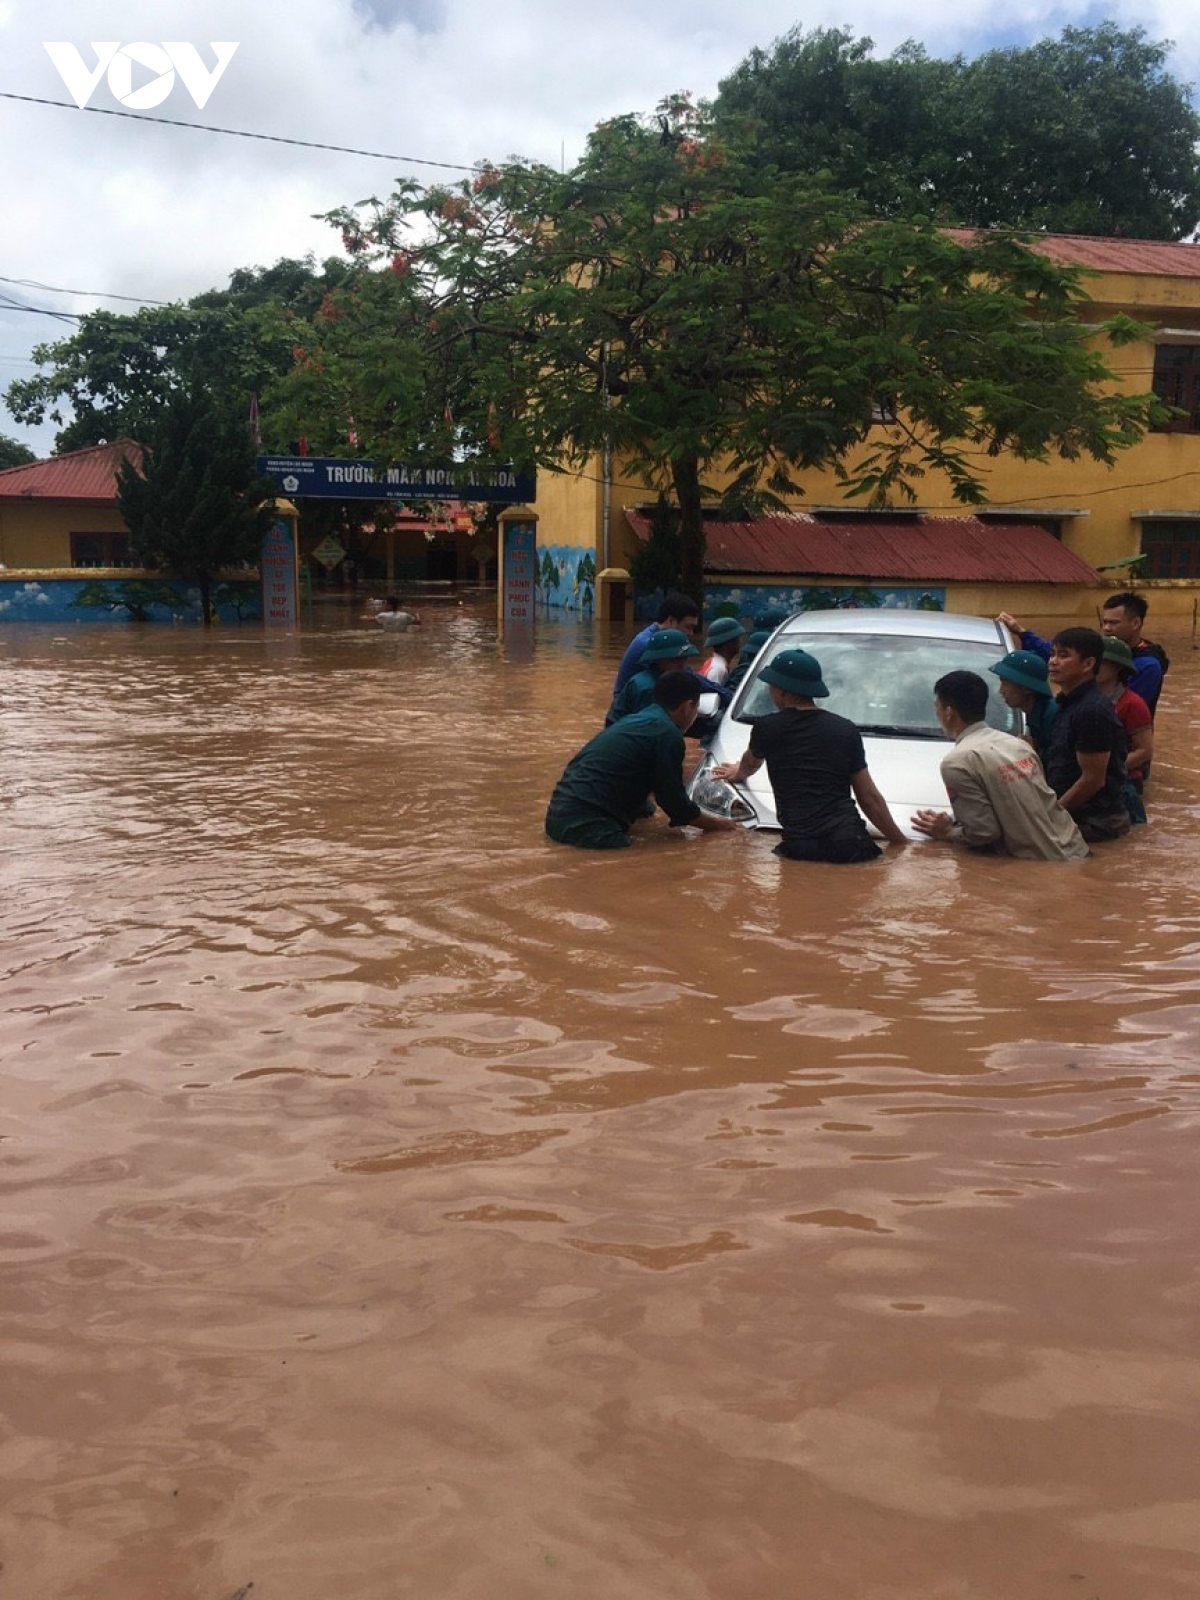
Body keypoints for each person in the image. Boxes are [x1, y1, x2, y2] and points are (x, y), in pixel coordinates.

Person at [711, 647, 908, 862]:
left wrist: (737, 773)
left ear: (782, 692)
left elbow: (750, 764)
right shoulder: (844, 729)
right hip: (850, 842)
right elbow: (869, 798)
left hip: (800, 845)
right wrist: (900, 841)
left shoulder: (768, 728)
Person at [546, 672, 739, 850]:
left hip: (558, 815)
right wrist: (720, 826)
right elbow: (674, 802)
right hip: (589, 827)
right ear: (687, 707)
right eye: (696, 707)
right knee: (632, 864)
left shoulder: (642, 719)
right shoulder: (667, 734)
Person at [912, 672, 1089, 860]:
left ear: (948, 713)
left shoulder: (956, 762)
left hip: (1039, 865)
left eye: (936, 708)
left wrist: (947, 832)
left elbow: (983, 832)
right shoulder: (1019, 745)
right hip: (1077, 849)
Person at [1042, 627, 1131, 843]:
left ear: (1088, 664)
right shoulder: (1068, 703)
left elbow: (1093, 780)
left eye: (1063, 655)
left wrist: (1049, 817)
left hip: (1095, 822)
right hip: (1074, 815)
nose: (1053, 661)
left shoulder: (1092, 711)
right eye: (1052, 654)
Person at [1097, 636, 1152, 819]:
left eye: (1102, 662)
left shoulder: (1133, 704)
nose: (1095, 666)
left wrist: (1108, 767)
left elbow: (1144, 751)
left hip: (1124, 780)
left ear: (1117, 667)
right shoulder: (1081, 699)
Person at [611, 591, 700, 696]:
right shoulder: (649, 645)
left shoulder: (658, 638)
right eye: (688, 627)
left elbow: (686, 673)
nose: (691, 634)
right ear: (671, 621)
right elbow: (681, 678)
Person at [606, 628, 699, 724]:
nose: (682, 664)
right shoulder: (648, 688)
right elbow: (648, 727)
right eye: (676, 660)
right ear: (660, 660)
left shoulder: (669, 679)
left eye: (685, 659)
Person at [1099, 591, 1168, 715]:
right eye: (1104, 622)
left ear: (1136, 623)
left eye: (1114, 623)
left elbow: (1124, 709)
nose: (1106, 628)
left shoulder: (1147, 665)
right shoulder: (1101, 651)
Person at [988, 648, 1057, 755]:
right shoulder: (1036, 714)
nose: (1001, 691)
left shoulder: (1053, 718)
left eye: (1005, 683)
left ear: (1026, 689)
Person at [698, 617, 746, 686]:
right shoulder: (718, 670)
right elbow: (711, 695)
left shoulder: (714, 662)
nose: (740, 642)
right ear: (728, 644)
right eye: (737, 640)